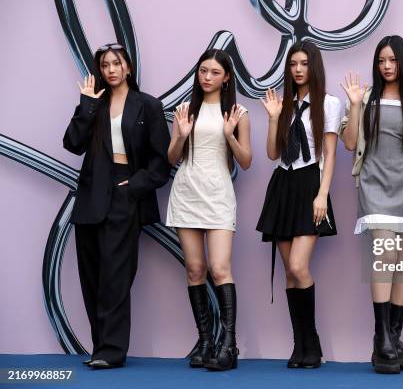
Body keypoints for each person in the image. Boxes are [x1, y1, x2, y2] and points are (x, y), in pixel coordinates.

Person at [63, 43, 170, 369]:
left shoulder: (148, 105)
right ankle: (101, 348)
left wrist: (134, 186)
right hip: (91, 197)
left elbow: (161, 161)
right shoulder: (94, 103)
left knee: (116, 276)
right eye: (105, 65)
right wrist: (86, 106)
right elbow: (71, 144)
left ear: (128, 68)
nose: (110, 69)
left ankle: (111, 351)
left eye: (116, 63)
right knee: (92, 276)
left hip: (125, 196)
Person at [339, 35, 403, 374]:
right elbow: (350, 143)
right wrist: (353, 105)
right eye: (382, 60)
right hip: (375, 185)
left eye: (393, 60)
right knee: (384, 252)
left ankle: (394, 338)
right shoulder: (366, 99)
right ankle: (381, 336)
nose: (386, 66)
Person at [256, 41, 342, 369]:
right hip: (282, 184)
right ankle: (300, 344)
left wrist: (322, 194)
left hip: (310, 183)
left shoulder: (329, 103)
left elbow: (331, 153)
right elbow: (272, 154)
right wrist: (274, 118)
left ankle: (312, 339)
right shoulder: (285, 104)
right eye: (293, 64)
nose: (298, 69)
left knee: (297, 267)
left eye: (304, 63)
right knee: (290, 276)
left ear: (314, 66)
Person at [166, 49, 252, 371]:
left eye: (214, 72)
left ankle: (228, 345)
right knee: (194, 269)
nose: (207, 77)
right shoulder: (185, 110)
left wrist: (229, 135)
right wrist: (181, 136)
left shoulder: (238, 113)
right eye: (203, 70)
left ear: (226, 77)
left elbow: (245, 161)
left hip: (218, 194)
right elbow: (172, 158)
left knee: (219, 268)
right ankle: (205, 341)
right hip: (187, 192)